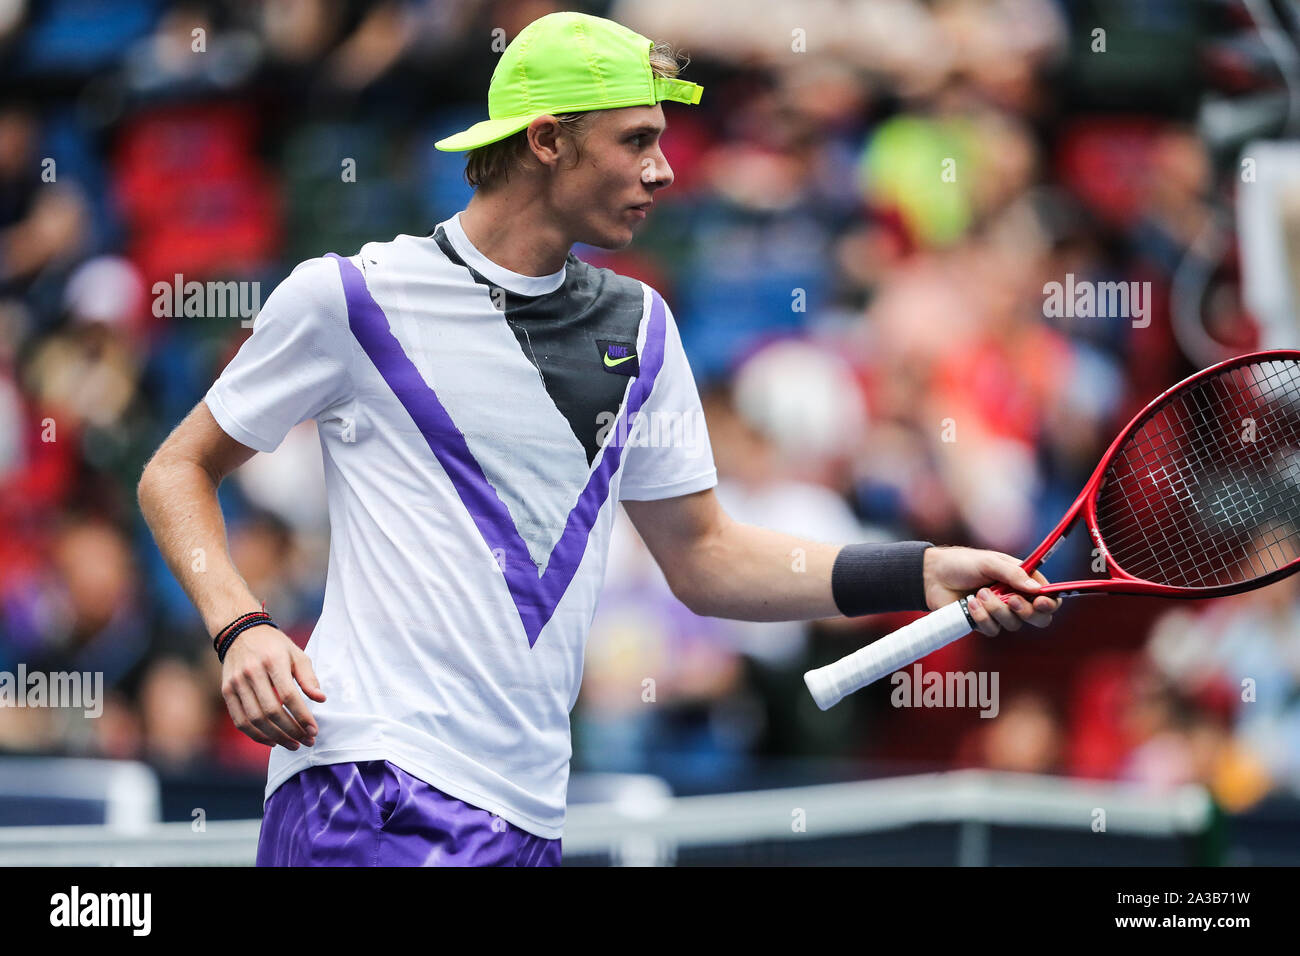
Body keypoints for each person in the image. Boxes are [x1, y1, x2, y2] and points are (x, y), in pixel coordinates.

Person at [136, 11, 1061, 867]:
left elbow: (706, 558)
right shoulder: (353, 296)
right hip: (366, 779)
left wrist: (921, 570)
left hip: (527, 809)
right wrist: (241, 626)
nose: (664, 171)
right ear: (547, 141)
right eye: (638, 141)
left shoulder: (645, 326)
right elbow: (176, 470)